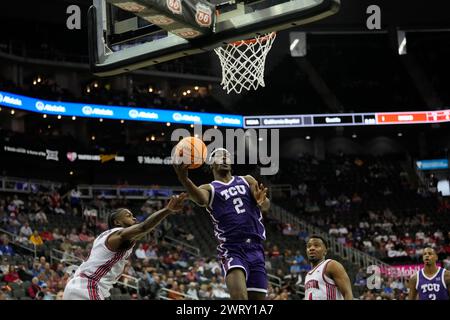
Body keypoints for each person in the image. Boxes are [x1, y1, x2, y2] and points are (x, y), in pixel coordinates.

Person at [174, 148, 270, 300]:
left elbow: (265, 206)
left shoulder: (247, 180)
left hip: (256, 248)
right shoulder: (209, 188)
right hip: (232, 249)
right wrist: (184, 179)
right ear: (211, 164)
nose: (224, 159)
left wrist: (262, 201)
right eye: (219, 157)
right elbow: (200, 199)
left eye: (227, 157)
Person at [63, 193, 187, 300]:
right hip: (87, 287)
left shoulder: (105, 237)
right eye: (128, 215)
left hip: (79, 286)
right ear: (117, 222)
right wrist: (168, 210)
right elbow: (143, 227)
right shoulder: (117, 234)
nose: (133, 217)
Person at [304, 236, 353, 300]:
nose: (311, 248)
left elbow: (347, 294)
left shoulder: (331, 265)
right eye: (309, 246)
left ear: (325, 251)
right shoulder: (307, 275)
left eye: (316, 245)